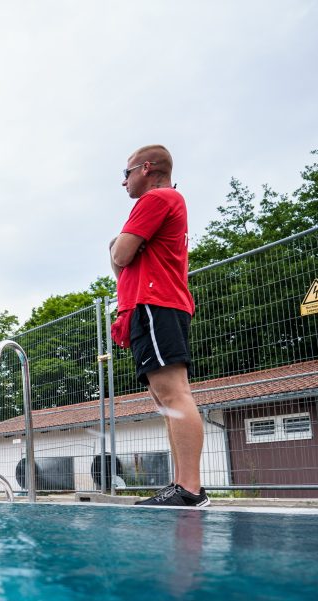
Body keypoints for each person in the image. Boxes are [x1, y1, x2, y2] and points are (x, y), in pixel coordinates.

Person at [109, 145, 209, 507]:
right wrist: (120, 248)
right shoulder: (168, 202)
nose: (124, 182)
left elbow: (120, 255)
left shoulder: (158, 199)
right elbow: (124, 254)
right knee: (166, 399)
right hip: (155, 304)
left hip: (156, 302)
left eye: (126, 173)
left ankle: (191, 488)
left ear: (146, 168)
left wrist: (117, 247)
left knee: (173, 394)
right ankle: (183, 485)